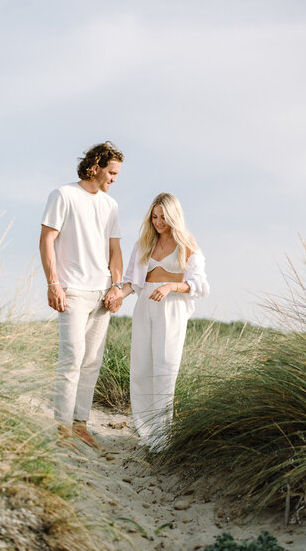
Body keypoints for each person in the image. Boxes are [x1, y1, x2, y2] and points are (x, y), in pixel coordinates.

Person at [39, 141, 124, 448]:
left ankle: (80, 425)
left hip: (102, 293)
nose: (114, 179)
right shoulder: (63, 195)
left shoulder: (110, 205)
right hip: (72, 291)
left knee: (91, 361)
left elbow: (115, 250)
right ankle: (62, 430)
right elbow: (47, 240)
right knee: (71, 359)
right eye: (111, 172)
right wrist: (53, 283)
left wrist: (117, 285)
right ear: (95, 166)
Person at [118, 192, 209, 451]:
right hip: (145, 303)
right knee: (141, 368)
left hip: (172, 307)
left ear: (174, 217)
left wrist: (171, 286)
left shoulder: (186, 242)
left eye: (164, 217)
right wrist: (116, 296)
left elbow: (201, 285)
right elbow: (131, 281)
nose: (158, 222)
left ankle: (162, 437)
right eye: (155, 216)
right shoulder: (144, 243)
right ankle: (146, 432)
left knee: (165, 368)